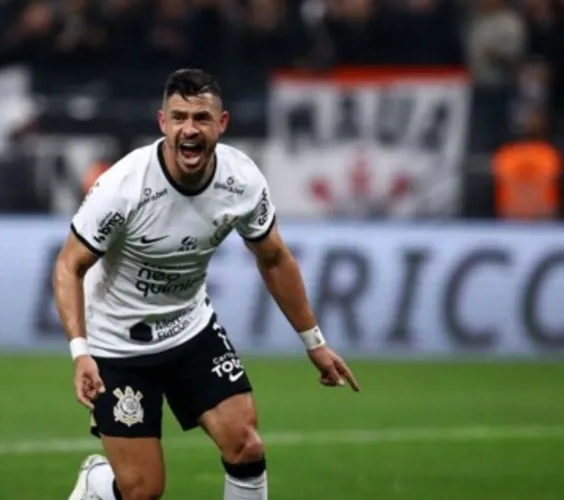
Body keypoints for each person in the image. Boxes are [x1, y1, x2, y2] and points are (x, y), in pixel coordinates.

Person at [54, 69, 360, 500]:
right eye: (179, 118)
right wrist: (80, 353)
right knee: (142, 490)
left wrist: (314, 341)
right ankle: (99, 485)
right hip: (118, 346)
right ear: (163, 124)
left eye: (201, 118)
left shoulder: (242, 180)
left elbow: (273, 257)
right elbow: (69, 266)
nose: (190, 129)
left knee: (246, 444)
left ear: (223, 124)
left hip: (189, 329)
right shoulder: (123, 187)